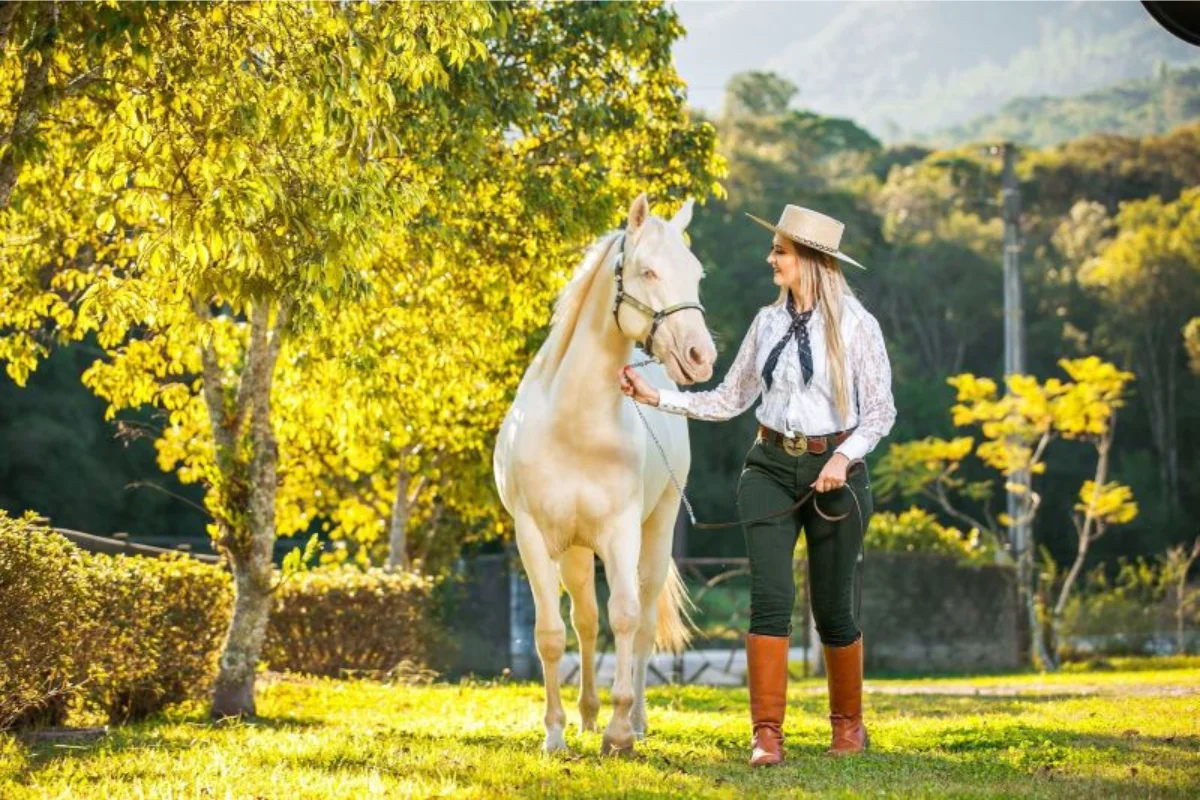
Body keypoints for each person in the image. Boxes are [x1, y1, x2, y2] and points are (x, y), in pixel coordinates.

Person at [618, 204, 896, 765]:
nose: (771, 259)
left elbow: (881, 414)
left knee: (834, 610)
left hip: (836, 474)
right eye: (775, 250)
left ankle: (848, 725)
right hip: (768, 468)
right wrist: (658, 398)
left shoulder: (857, 326)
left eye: (781, 252)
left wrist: (841, 459)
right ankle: (766, 734)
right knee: (769, 600)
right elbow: (730, 399)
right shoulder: (767, 322)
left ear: (811, 262)